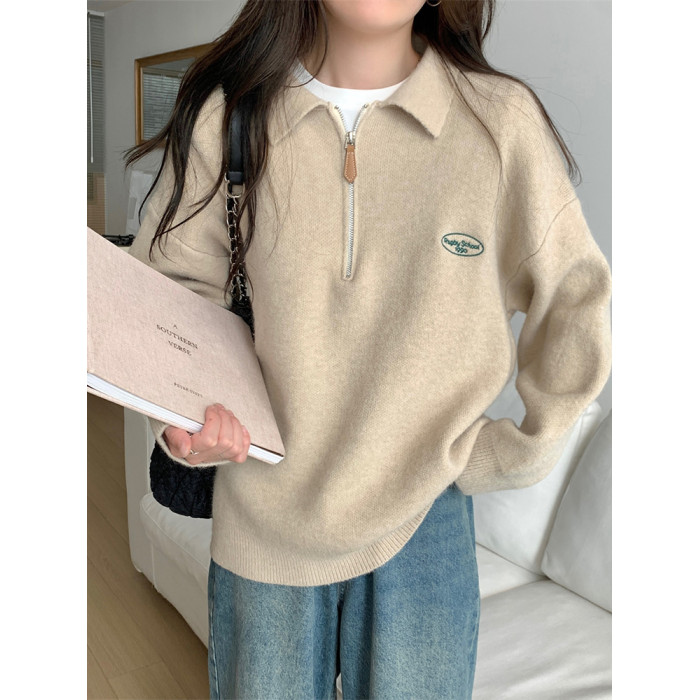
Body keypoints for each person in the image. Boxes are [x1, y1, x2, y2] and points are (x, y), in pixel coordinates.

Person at [126, 1, 612, 698]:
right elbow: (169, 291)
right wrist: (183, 412)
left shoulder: (498, 123)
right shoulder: (229, 115)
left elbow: (576, 301)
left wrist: (518, 451)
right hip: (261, 517)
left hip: (426, 520)